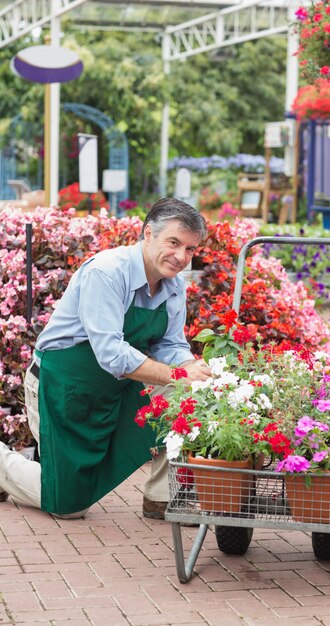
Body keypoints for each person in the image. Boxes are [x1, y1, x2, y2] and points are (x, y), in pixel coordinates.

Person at [0, 197, 212, 518]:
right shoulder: (107, 272)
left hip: (115, 387)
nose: (181, 256)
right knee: (69, 506)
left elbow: (170, 344)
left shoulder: (173, 285)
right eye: (174, 242)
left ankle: (162, 497)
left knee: (185, 394)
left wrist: (188, 366)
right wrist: (177, 375)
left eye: (190, 249)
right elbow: (111, 354)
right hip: (63, 386)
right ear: (147, 234)